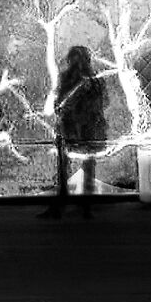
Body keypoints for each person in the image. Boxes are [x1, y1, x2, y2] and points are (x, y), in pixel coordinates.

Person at [41, 44, 102, 220]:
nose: (76, 63)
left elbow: (98, 105)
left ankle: (83, 206)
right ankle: (63, 205)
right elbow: (59, 103)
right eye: (73, 59)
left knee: (86, 168)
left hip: (85, 130)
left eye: (79, 59)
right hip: (69, 128)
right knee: (63, 169)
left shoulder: (93, 81)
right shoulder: (70, 78)